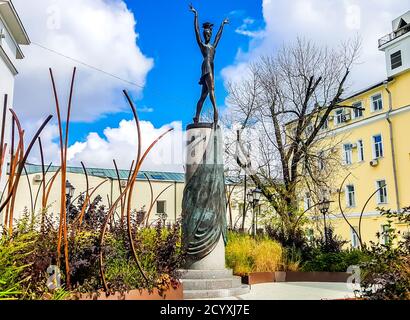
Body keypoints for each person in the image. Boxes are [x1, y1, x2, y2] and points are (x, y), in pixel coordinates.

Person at [189, 4, 229, 125]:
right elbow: (196, 30)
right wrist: (196, 14)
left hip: (210, 66)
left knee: (204, 95)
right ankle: (216, 113)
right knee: (212, 90)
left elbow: (218, 36)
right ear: (204, 34)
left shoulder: (213, 46)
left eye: (209, 33)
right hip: (207, 66)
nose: (208, 35)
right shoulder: (203, 45)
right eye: (206, 33)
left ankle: (196, 117)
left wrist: (222, 24)